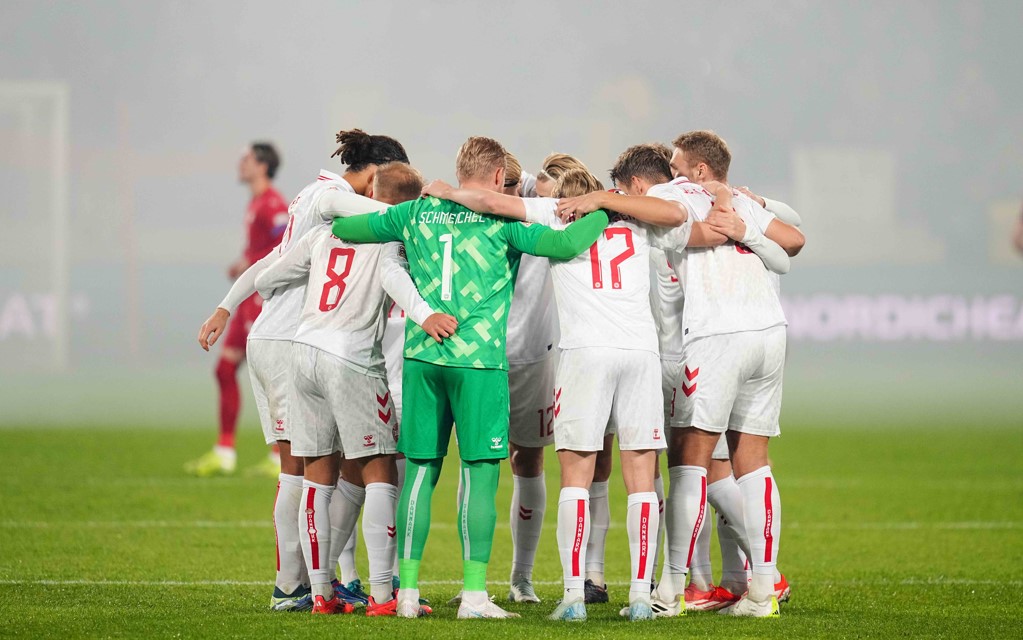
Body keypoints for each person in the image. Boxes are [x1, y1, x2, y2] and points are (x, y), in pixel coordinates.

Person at [330, 136, 610, 619]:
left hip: (423, 356)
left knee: (419, 471)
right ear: (501, 179)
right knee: (480, 474)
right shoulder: (502, 221)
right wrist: (606, 210)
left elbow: (346, 228)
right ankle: (475, 595)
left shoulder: (414, 213)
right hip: (478, 361)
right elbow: (566, 243)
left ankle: (410, 594)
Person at [196, 129, 411, 612]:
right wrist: (430, 207)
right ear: (375, 173)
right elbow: (392, 215)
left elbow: (271, 262)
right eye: (387, 179)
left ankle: (317, 583)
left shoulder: (307, 197)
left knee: (313, 468)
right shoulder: (333, 197)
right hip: (300, 340)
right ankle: (294, 585)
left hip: (278, 339)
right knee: (307, 470)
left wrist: (225, 306)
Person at [252, 163, 451, 616]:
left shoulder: (327, 233)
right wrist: (426, 315)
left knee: (317, 476)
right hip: (351, 358)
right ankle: (382, 595)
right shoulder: (388, 238)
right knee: (379, 469)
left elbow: (269, 276)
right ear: (403, 205)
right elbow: (393, 279)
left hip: (302, 353)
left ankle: (320, 593)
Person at [669, 132, 802, 610]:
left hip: (719, 336)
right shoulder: (740, 200)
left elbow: (793, 240)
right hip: (769, 332)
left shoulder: (681, 195)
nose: (673, 173)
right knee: (753, 461)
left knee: (693, 457)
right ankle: (761, 587)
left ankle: (672, 588)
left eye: (678, 165)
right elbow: (794, 240)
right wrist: (743, 218)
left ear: (699, 170)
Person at [187, 142, 288, 478]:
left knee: (269, 374)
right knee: (224, 370)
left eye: (246, 159)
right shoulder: (257, 201)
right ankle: (225, 451)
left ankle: (279, 455)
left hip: (260, 300)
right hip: (246, 302)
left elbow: (284, 247)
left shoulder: (273, 204)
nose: (240, 164)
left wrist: (249, 264)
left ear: (262, 166)